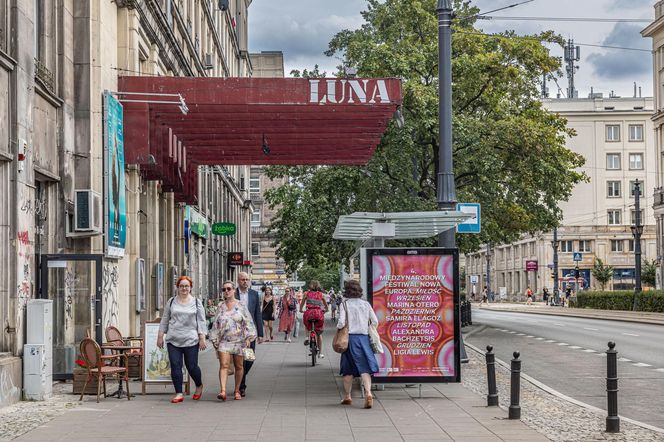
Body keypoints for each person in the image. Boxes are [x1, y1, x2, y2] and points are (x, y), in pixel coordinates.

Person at [157, 276, 206, 404]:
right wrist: (160, 336)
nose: (184, 288)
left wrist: (202, 337)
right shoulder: (172, 301)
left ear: (190, 288)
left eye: (186, 286)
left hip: (191, 339)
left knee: (192, 366)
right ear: (177, 287)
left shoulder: (196, 302)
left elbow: (201, 321)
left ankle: (199, 385)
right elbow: (165, 319)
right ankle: (179, 393)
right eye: (181, 286)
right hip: (173, 339)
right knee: (175, 366)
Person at [210, 280, 257, 401]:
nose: (226, 291)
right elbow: (216, 323)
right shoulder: (220, 306)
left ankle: (237, 390)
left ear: (234, 290)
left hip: (239, 340)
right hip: (224, 341)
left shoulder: (241, 305)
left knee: (239, 366)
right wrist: (214, 339)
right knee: (224, 365)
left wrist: (249, 337)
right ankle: (223, 391)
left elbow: (248, 322)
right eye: (224, 289)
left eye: (228, 289)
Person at [337, 280, 379, 409]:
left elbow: (341, 323)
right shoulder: (366, 304)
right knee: (365, 367)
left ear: (347, 291)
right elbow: (375, 321)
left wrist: (339, 330)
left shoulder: (344, 304)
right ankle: (368, 393)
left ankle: (347, 397)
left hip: (349, 339)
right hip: (364, 339)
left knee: (348, 369)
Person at [235, 272, 263, 397]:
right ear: (238, 281)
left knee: (250, 359)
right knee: (240, 360)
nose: (245, 281)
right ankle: (241, 387)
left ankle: (241, 376)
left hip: (250, 332)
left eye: (247, 279)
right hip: (235, 332)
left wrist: (260, 333)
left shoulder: (254, 294)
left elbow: (258, 313)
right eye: (242, 279)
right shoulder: (233, 293)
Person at [300, 280, 328, 359]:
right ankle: (320, 353)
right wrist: (326, 310)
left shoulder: (306, 293)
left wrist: (301, 309)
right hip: (318, 314)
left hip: (309, 312)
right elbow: (325, 305)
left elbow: (302, 303)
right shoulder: (321, 294)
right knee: (319, 333)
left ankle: (307, 337)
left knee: (306, 323)